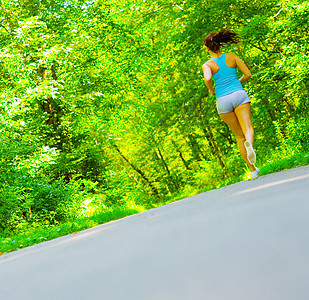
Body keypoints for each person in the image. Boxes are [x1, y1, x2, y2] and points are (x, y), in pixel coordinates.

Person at [202, 28, 259, 179]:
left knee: (239, 137)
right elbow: (248, 74)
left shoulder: (208, 64)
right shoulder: (232, 56)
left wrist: (210, 90)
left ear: (207, 48)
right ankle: (250, 145)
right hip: (238, 94)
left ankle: (253, 171)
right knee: (247, 129)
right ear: (220, 44)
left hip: (223, 100)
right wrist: (238, 83)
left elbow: (208, 79)